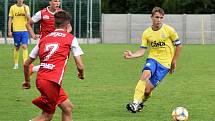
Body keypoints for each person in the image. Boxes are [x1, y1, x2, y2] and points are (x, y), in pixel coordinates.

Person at [22, 11, 84, 121]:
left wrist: (27, 81)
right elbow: (80, 66)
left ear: (54, 24)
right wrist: (81, 74)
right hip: (51, 83)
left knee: (68, 108)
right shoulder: (70, 38)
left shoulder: (44, 39)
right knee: (47, 116)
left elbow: (26, 64)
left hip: (44, 80)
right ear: (68, 24)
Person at [124, 7, 182, 113]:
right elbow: (142, 50)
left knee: (147, 91)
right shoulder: (147, 33)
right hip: (153, 59)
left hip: (165, 64)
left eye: (161, 17)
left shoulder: (169, 30)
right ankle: (135, 102)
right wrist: (132, 55)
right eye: (156, 17)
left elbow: (178, 46)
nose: (159, 19)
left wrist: (174, 61)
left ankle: (141, 103)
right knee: (145, 74)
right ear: (151, 18)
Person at [26, 0, 62, 73]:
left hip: (57, 43)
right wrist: (33, 35)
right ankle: (31, 70)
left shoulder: (61, 13)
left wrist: (64, 33)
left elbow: (69, 27)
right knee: (49, 65)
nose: (58, 3)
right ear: (50, 2)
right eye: (55, 1)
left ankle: (32, 69)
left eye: (59, 1)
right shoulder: (41, 13)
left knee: (52, 65)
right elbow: (28, 24)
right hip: (44, 43)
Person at [8, 0, 30, 69]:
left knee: (24, 46)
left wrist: (25, 11)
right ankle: (16, 64)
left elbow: (29, 18)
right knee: (17, 47)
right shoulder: (12, 7)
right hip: (16, 30)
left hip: (25, 30)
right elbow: (10, 20)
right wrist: (9, 30)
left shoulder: (26, 7)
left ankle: (25, 64)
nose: (20, 0)